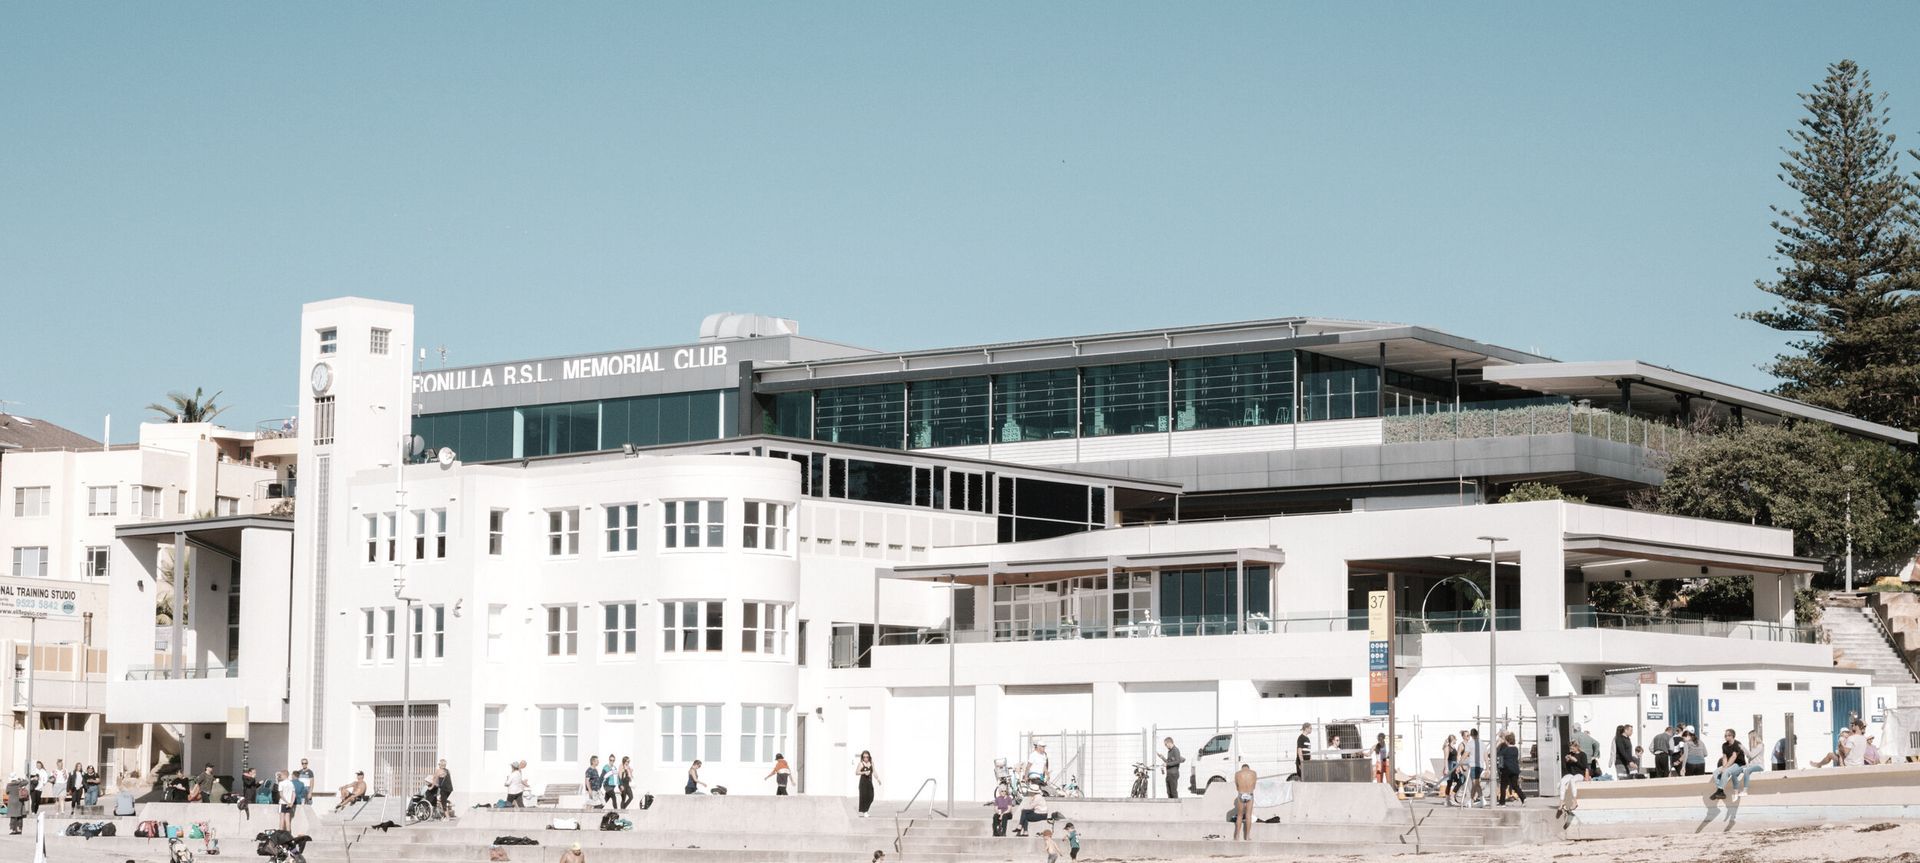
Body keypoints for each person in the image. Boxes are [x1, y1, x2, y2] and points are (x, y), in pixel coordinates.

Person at [1710, 728, 1749, 801]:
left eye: (1728, 735)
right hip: (1730, 763)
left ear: (1732, 736)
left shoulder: (1737, 744)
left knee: (1726, 771)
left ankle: (1719, 791)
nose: (1726, 737)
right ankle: (1721, 791)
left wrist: (1725, 768)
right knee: (1715, 772)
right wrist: (1724, 767)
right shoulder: (1724, 745)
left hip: (1739, 764)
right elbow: (1725, 758)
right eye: (1725, 736)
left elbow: (1733, 757)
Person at [1558, 740, 1587, 811]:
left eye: (1572, 748)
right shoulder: (1570, 754)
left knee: (1572, 780)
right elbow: (1566, 768)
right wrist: (1566, 761)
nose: (1571, 750)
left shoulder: (1583, 754)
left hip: (1580, 774)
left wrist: (1576, 761)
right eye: (1570, 748)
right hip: (1571, 774)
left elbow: (1584, 767)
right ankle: (1562, 801)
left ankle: (1575, 801)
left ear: (1577, 747)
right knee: (1562, 781)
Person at [1496, 732, 1523, 805]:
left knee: (1503, 786)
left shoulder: (1505, 749)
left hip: (1506, 770)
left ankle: (1502, 802)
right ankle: (1523, 798)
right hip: (1515, 770)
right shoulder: (1516, 749)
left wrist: (1500, 768)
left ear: (1507, 741)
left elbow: (1499, 756)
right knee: (1515, 785)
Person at [1233, 763, 1257, 841]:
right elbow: (1254, 786)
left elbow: (1237, 787)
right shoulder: (1253, 773)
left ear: (1242, 768)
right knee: (1248, 816)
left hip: (1241, 793)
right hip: (1249, 793)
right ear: (1248, 768)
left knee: (1239, 816)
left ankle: (1237, 836)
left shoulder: (1237, 774)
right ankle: (1247, 836)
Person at [1466, 729, 1485, 807]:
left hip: (1474, 765)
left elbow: (1465, 753)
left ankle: (1474, 800)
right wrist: (1486, 766)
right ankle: (1478, 800)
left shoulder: (1470, 743)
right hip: (1480, 766)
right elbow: (1486, 755)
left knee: (1475, 783)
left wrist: (1460, 762)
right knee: (1476, 783)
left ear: (1471, 735)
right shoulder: (1482, 743)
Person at [855, 751, 877, 817]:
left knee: (871, 797)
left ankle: (866, 810)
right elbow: (856, 772)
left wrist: (878, 779)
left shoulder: (871, 763)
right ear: (862, 757)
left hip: (869, 782)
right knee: (864, 797)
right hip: (863, 783)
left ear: (869, 757)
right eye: (864, 757)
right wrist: (864, 772)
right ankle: (865, 811)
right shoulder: (861, 764)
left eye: (867, 757)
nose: (865, 758)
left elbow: (874, 772)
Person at [1441, 735, 1460, 806]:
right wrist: (1446, 768)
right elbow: (1445, 758)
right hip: (1450, 765)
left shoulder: (1453, 747)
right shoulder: (1447, 747)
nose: (1456, 741)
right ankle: (1447, 800)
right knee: (1449, 783)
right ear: (1453, 739)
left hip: (1454, 765)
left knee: (1459, 780)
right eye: (1456, 739)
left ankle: (1452, 797)